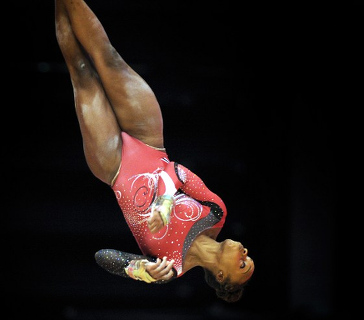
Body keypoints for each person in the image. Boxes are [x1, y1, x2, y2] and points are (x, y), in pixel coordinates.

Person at [54, 0, 254, 303]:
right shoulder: (216, 215)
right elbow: (178, 172)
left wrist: (141, 270)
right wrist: (164, 204)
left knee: (82, 73)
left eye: (243, 264)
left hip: (115, 166)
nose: (245, 253)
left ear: (221, 277)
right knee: (108, 58)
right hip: (149, 139)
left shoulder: (169, 268)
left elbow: (102, 256)